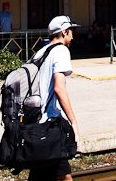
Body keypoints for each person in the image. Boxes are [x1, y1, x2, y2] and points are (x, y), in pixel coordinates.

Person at [28, 15, 80, 181]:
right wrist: (73, 122)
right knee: (64, 176)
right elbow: (59, 88)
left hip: (35, 122)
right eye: (71, 31)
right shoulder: (61, 51)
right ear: (64, 32)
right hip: (50, 125)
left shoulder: (40, 52)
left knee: (40, 175)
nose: (73, 35)